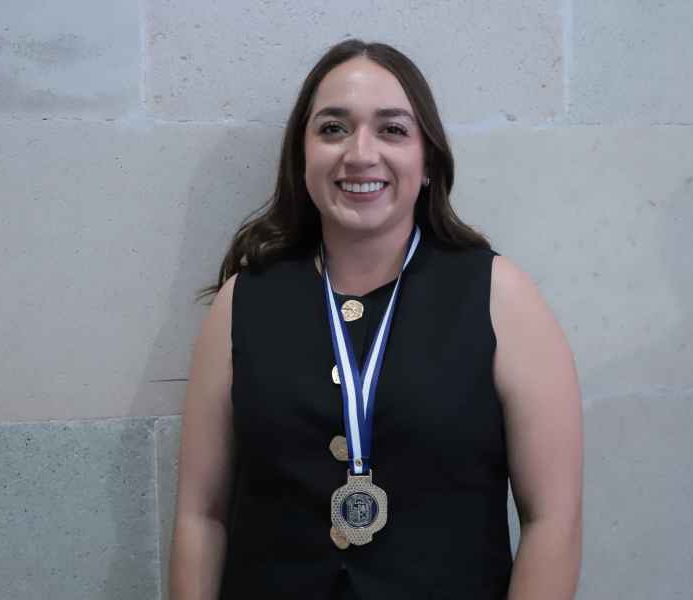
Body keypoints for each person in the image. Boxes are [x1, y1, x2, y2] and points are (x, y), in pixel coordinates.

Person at [169, 38, 583, 600]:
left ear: (428, 160)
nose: (360, 153)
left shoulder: (499, 296)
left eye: (392, 129)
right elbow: (201, 516)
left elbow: (553, 520)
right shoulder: (242, 301)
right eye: (333, 129)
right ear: (301, 156)